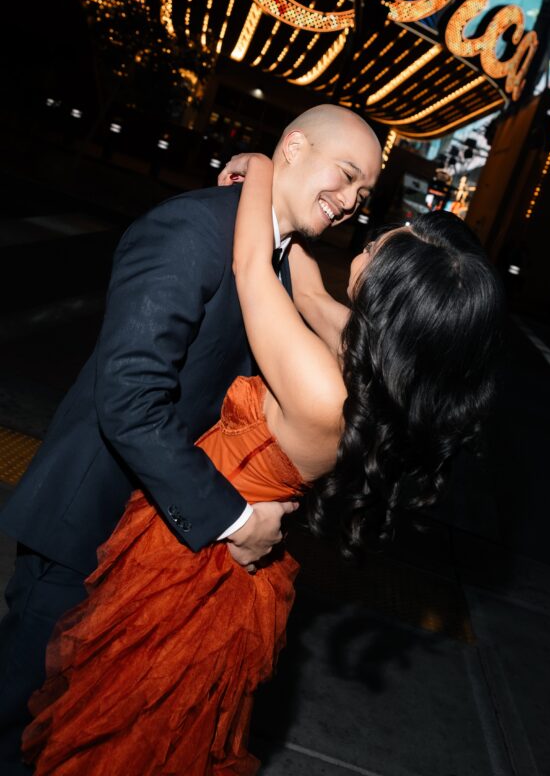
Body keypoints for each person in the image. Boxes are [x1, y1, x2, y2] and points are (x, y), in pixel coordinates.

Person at [19, 151, 504, 773]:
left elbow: (252, 266)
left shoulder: (321, 385)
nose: (369, 237)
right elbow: (306, 287)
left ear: (391, 289)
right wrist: (295, 204)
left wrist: (265, 167)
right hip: (214, 536)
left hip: (190, 560)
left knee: (110, 730)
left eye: (382, 247)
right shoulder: (374, 357)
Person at [0, 105, 382, 775]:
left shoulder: (279, 262)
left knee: (64, 735)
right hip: (87, 527)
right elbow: (130, 399)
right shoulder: (192, 228)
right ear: (294, 147)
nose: (351, 201)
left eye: (364, 193)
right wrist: (234, 519)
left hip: (152, 545)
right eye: (347, 174)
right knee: (18, 712)